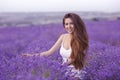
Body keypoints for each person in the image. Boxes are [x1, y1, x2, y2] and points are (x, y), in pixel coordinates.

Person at [22, 13, 89, 80]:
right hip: (64, 71)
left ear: (77, 24)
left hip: (75, 73)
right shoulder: (63, 37)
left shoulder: (80, 40)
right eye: (66, 24)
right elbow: (49, 52)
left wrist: (58, 67)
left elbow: (72, 59)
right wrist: (31, 56)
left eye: (71, 23)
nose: (68, 26)